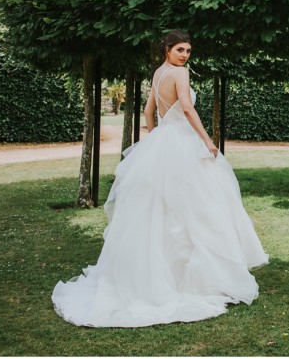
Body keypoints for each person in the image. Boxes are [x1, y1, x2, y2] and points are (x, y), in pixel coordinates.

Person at [52, 30, 269, 327]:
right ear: (167, 49)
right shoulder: (180, 74)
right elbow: (188, 109)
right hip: (183, 140)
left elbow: (148, 111)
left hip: (165, 140)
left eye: (188, 51)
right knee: (197, 205)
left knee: (165, 207)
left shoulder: (158, 74)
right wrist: (207, 140)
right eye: (180, 49)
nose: (185, 55)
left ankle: (164, 273)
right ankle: (195, 280)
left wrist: (155, 137)